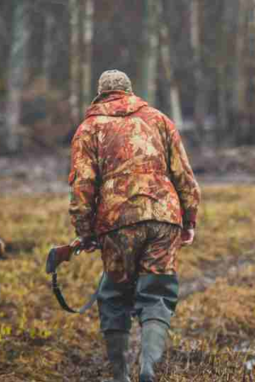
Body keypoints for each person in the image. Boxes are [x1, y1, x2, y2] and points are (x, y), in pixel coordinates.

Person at [68, 70, 201, 382]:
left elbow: (82, 186)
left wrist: (84, 231)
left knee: (115, 294)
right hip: (164, 216)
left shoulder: (89, 128)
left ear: (100, 94)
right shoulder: (159, 119)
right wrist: (189, 219)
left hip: (117, 221)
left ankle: (121, 376)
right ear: (130, 91)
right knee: (157, 293)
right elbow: (184, 175)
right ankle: (148, 369)